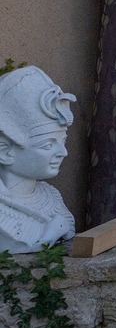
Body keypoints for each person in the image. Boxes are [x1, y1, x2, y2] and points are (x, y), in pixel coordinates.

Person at [0, 66, 76, 254]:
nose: (63, 152)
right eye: (48, 145)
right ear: (5, 152)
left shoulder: (51, 197)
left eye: (63, 141)